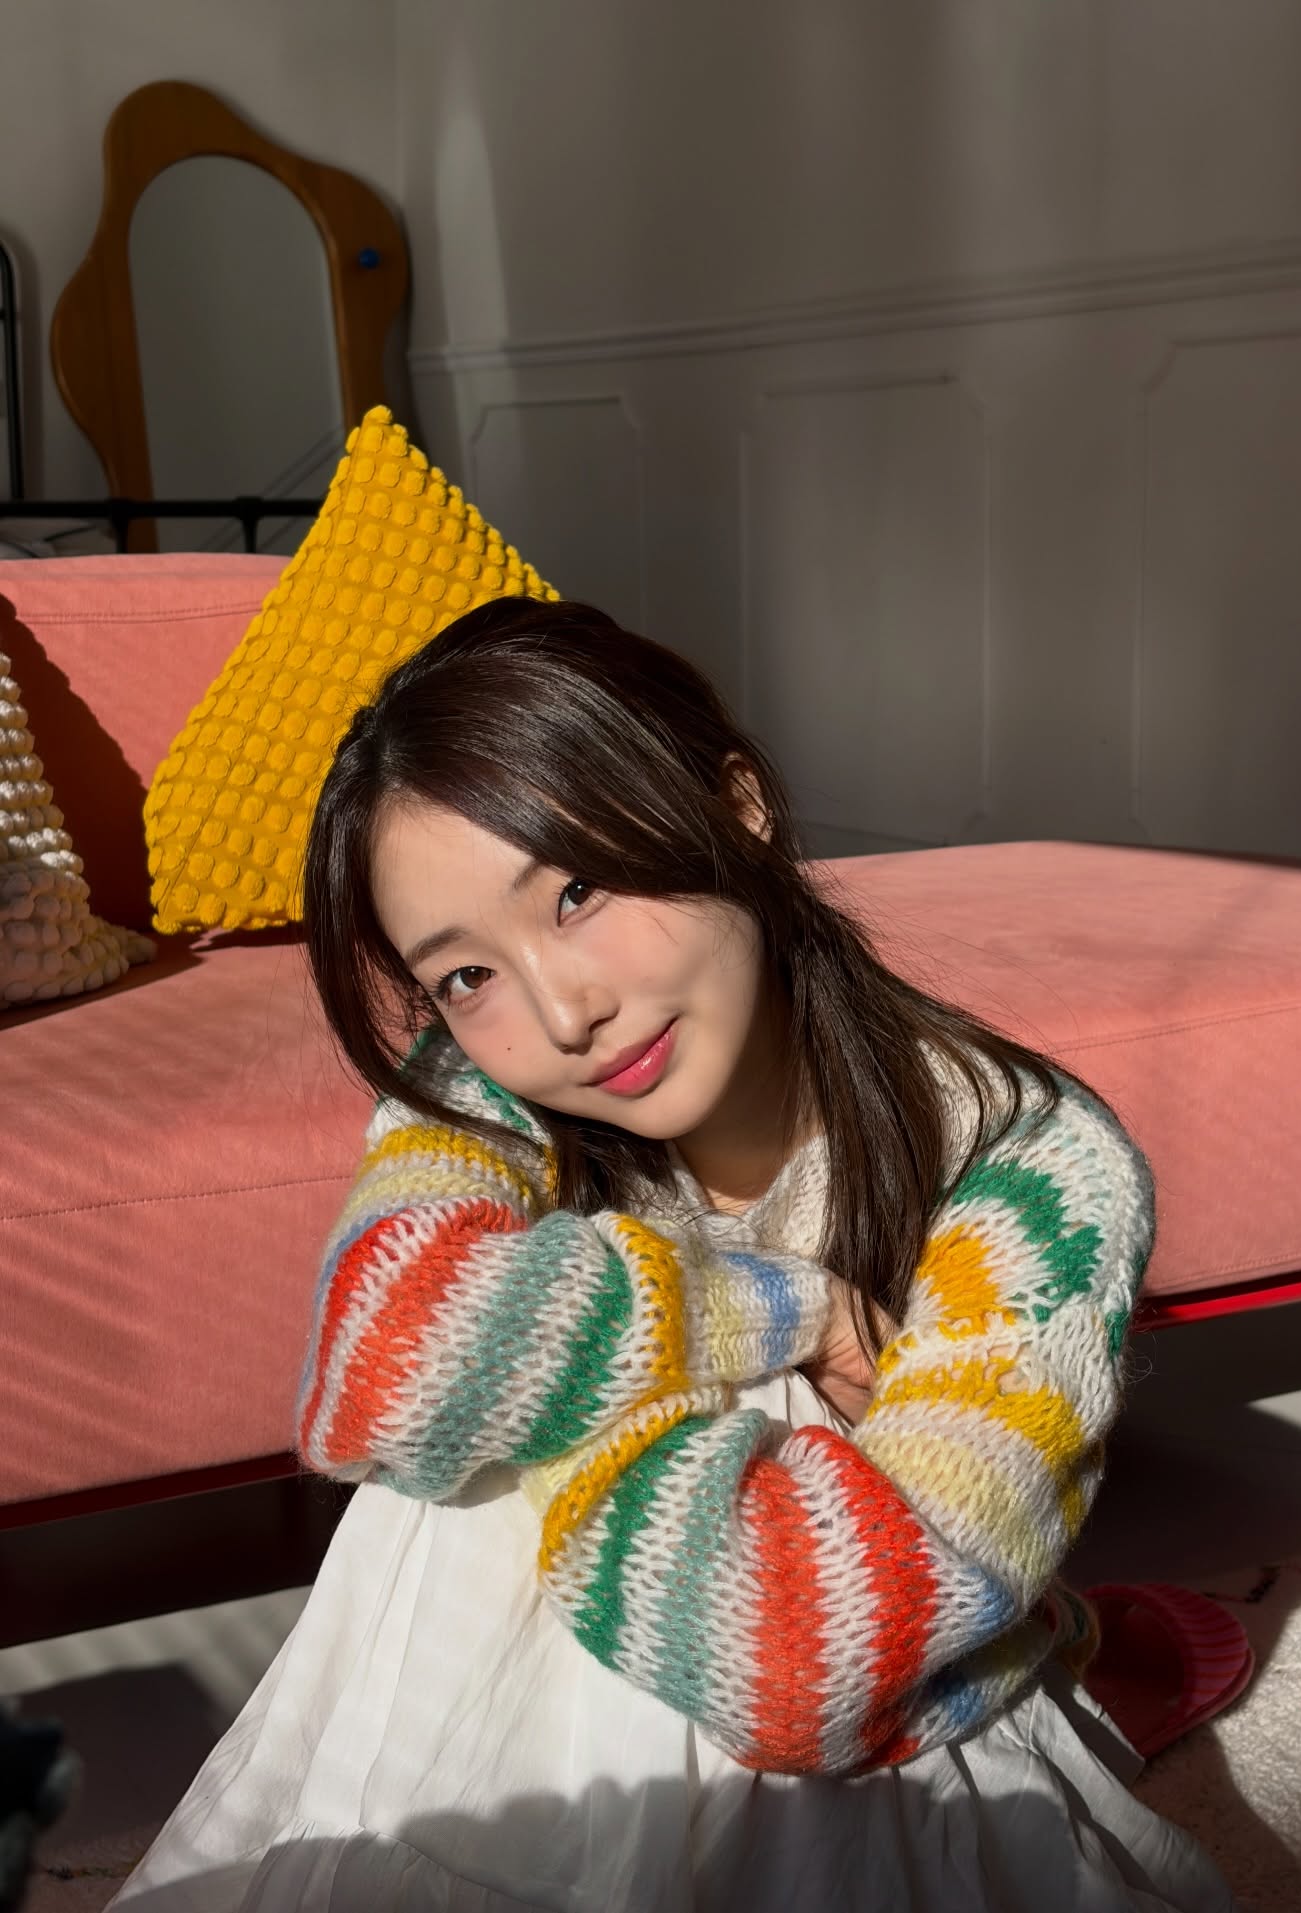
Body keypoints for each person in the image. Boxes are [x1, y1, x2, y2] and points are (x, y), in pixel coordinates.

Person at [111, 600, 1239, 1911]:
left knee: (522, 1388)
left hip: (866, 1740)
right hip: (702, 1672)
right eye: (467, 975)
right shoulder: (483, 1084)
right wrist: (787, 1308)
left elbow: (811, 1662)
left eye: (577, 892)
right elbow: (374, 1375)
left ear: (737, 807)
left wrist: (552, 1378)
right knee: (506, 1403)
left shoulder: (1032, 1167)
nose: (562, 1011)